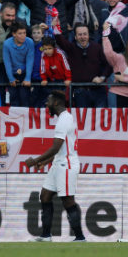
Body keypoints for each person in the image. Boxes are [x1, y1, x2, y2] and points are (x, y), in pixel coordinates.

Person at [25, 90, 86, 242]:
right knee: (45, 195)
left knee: (67, 200)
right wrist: (44, 162)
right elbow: (60, 149)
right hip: (59, 162)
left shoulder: (64, 120)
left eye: (49, 101)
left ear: (56, 103)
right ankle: (46, 235)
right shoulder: (64, 118)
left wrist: (35, 160)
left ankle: (80, 237)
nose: (47, 104)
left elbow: (56, 147)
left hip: (66, 164)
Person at [3, 22, 35, 106]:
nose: (23, 35)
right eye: (20, 33)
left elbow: (30, 60)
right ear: (14, 34)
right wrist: (11, 78)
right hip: (11, 73)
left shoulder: (30, 42)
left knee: (24, 98)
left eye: (24, 33)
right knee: (13, 98)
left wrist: (27, 78)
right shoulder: (7, 44)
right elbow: (7, 62)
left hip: (24, 73)